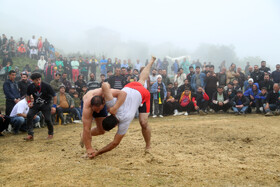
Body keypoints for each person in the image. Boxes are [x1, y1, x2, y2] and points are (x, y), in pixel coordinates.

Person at [84, 56, 156, 158]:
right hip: (133, 91)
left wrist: (98, 153)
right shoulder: (113, 108)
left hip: (141, 94)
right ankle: (151, 61)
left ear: (115, 126)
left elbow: (115, 143)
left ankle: (148, 146)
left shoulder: (115, 109)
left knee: (144, 123)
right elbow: (104, 85)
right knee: (141, 80)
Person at [24, 73, 57, 141]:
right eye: (36, 80)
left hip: (46, 104)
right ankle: (30, 134)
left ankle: (50, 133)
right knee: (29, 115)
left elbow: (54, 95)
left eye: (39, 79)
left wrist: (54, 106)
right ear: (33, 80)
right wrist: (29, 102)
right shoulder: (30, 86)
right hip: (36, 104)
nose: (38, 81)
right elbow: (27, 95)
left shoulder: (46, 85)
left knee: (47, 119)